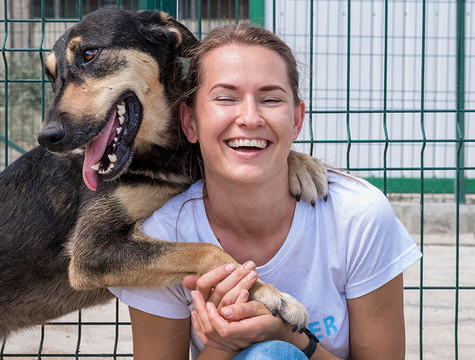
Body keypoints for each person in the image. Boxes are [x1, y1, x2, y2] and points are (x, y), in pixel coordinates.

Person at [109, 23, 421, 360]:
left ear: (297, 120)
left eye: (270, 99)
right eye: (226, 98)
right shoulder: (165, 236)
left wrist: (287, 335)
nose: (250, 117)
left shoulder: (357, 215)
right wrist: (225, 343)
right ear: (190, 122)